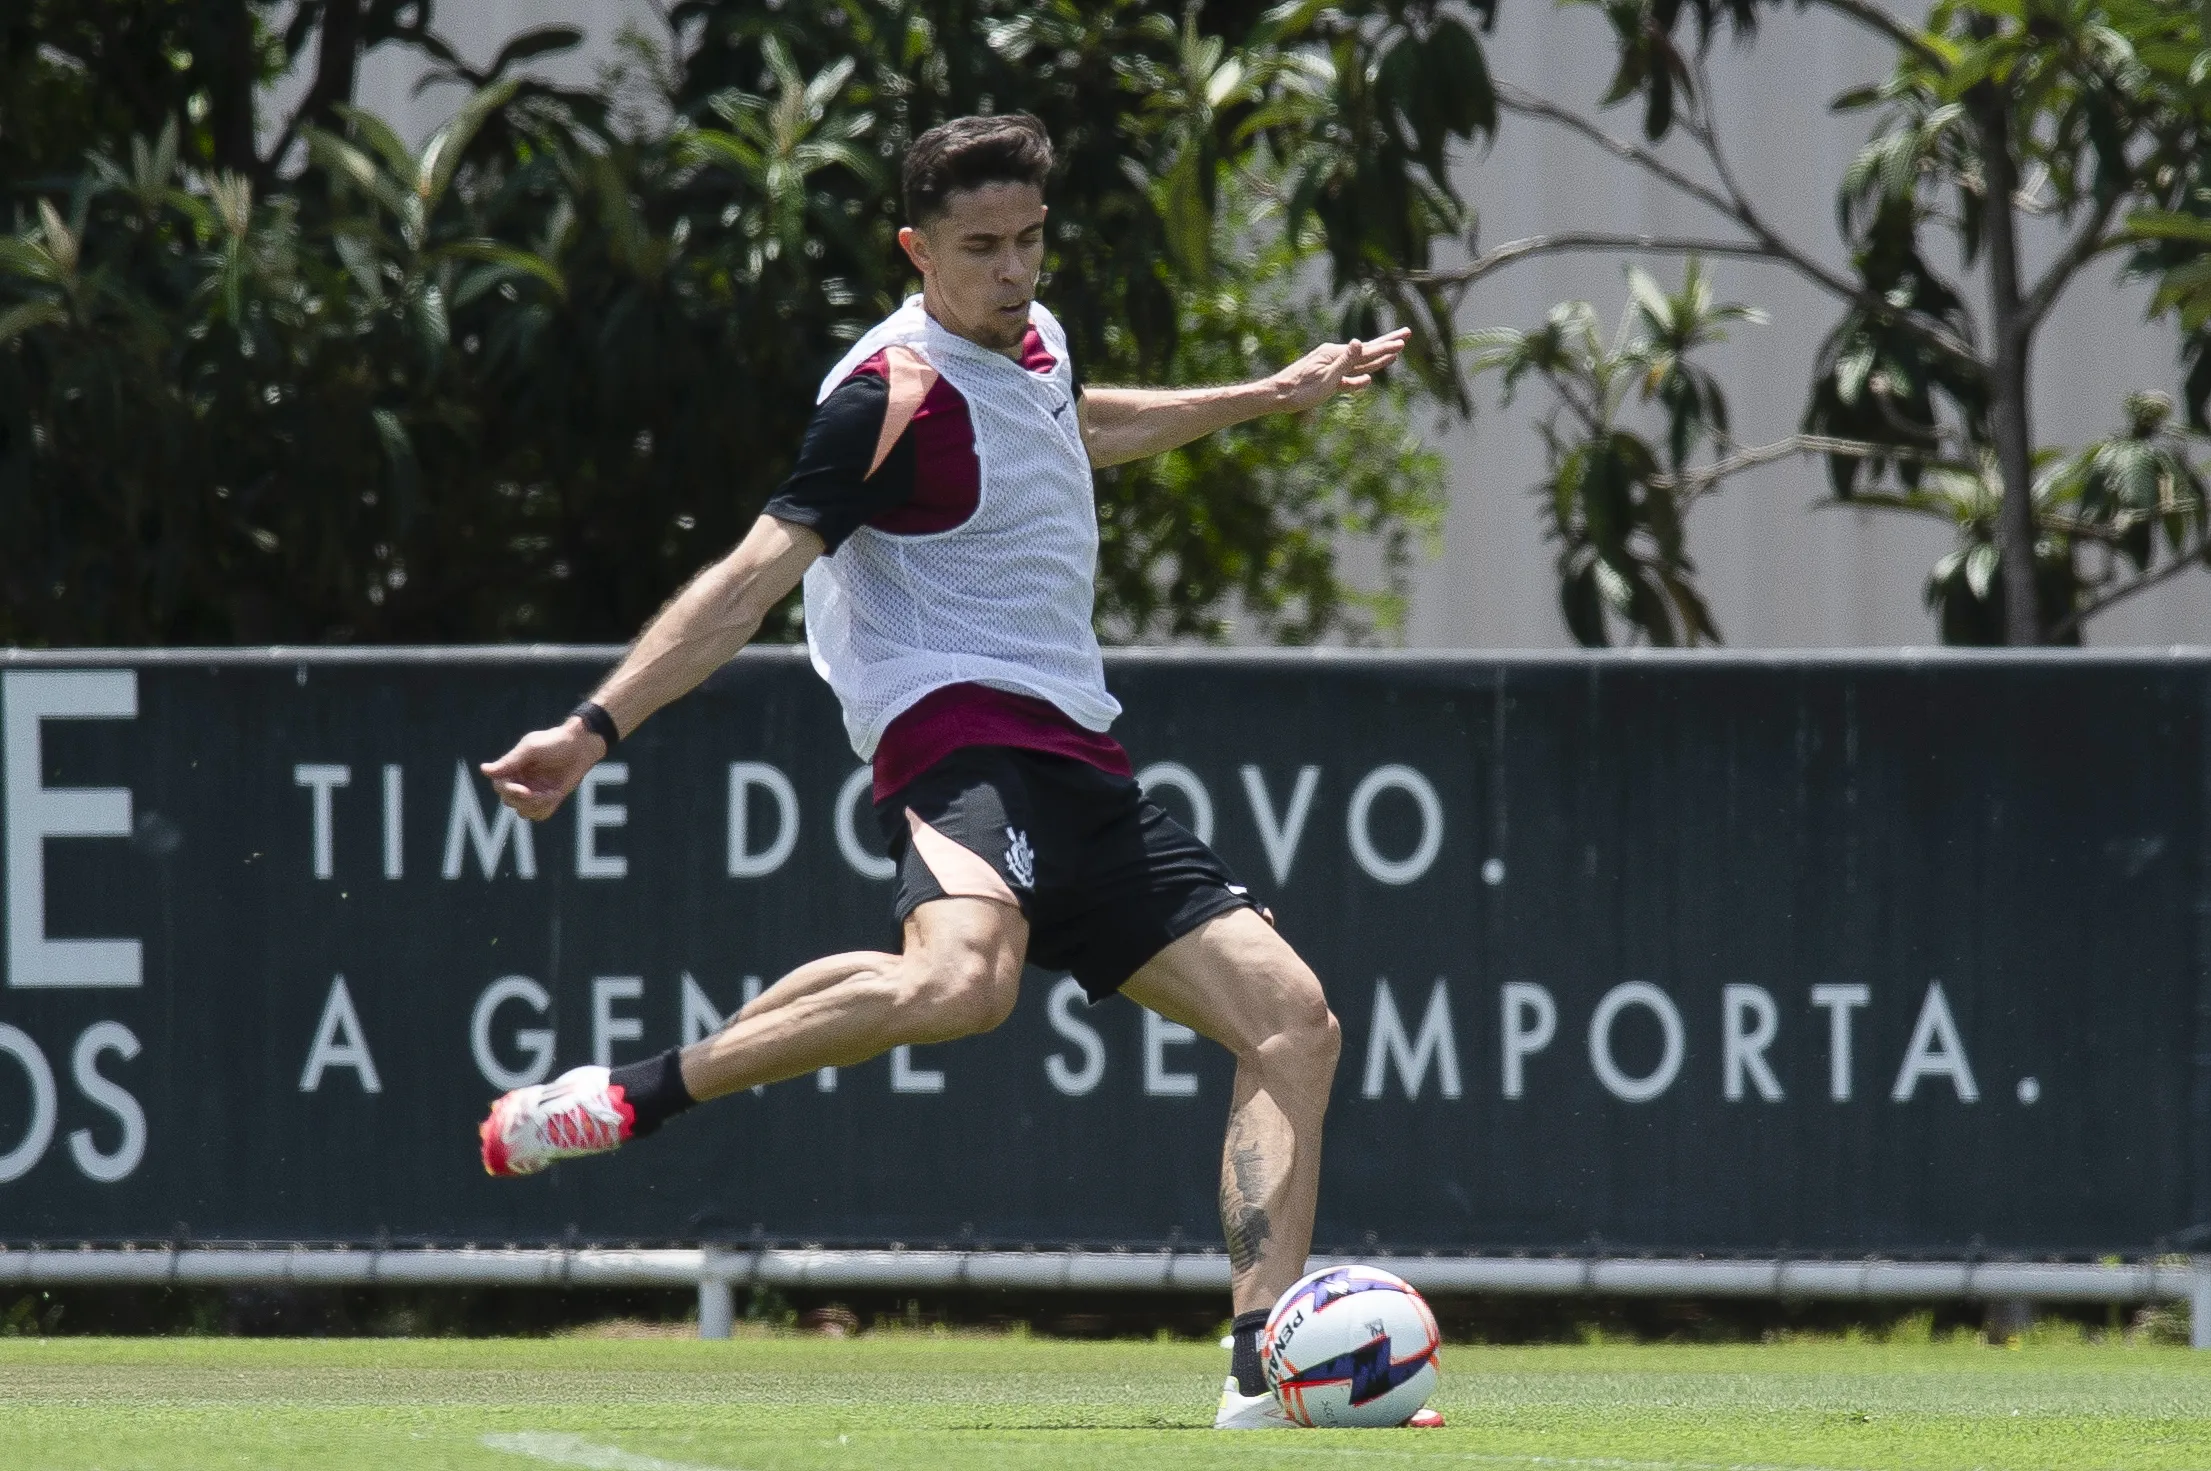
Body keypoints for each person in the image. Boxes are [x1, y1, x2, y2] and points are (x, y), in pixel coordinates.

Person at [474, 112, 1429, 1431]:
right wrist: (591, 730)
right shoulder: (888, 395)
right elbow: (751, 578)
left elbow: (1063, 428)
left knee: (1291, 1019)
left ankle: (1261, 1370)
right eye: (980, 248)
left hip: (1082, 762)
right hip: (958, 737)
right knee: (960, 985)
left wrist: (1268, 394)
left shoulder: (1032, 343)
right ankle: (630, 1097)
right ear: (916, 250)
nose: (1013, 270)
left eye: (1030, 240)